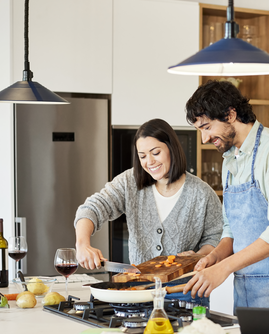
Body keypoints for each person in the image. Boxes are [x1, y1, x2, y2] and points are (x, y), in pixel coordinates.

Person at [181, 80, 269, 310]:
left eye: (206, 127)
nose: (204, 138)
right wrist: (214, 258)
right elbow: (231, 229)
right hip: (246, 289)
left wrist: (224, 268)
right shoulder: (230, 159)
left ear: (230, 114)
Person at [74, 118, 222, 305]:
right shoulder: (130, 182)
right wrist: (82, 244)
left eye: (156, 152)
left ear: (172, 148)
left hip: (185, 293)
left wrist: (197, 257)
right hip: (137, 292)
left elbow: (215, 239)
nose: (149, 161)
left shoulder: (202, 193)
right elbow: (93, 207)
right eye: (142, 156)